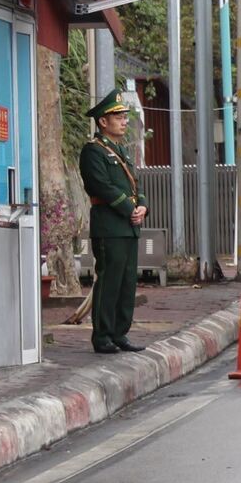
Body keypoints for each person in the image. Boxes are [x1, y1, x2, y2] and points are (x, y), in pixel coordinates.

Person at [79, 89, 147, 354]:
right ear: (103, 122)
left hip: (128, 227)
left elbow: (134, 183)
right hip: (109, 226)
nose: (123, 120)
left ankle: (120, 333)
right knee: (109, 281)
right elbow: (101, 186)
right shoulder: (93, 151)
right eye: (117, 116)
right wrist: (130, 208)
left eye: (124, 116)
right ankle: (103, 335)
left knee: (127, 282)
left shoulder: (121, 151)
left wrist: (142, 205)